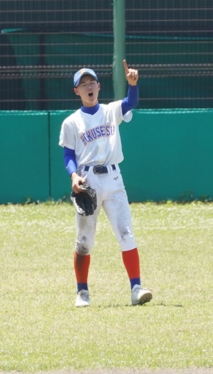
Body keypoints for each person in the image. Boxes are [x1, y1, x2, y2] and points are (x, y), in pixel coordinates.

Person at [59, 60, 152, 308]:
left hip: (113, 178)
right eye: (83, 85)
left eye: (92, 83)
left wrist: (133, 85)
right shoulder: (71, 122)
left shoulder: (110, 111)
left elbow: (130, 103)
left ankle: (136, 288)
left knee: (126, 233)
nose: (89, 88)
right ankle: (82, 292)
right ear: (76, 91)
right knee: (84, 241)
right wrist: (73, 176)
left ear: (99, 87)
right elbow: (68, 155)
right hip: (87, 180)